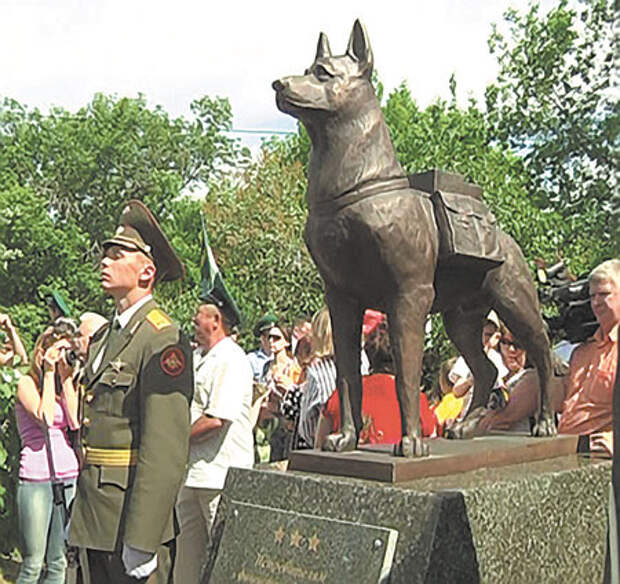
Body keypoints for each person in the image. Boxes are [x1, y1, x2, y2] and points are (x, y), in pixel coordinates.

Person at [68, 201, 193, 584]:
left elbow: (165, 449)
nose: (104, 262)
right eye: (104, 254)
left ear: (147, 271)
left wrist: (143, 538)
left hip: (131, 520)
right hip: (96, 518)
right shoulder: (107, 335)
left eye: (117, 255)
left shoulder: (163, 338)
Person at [477, 258, 619, 452]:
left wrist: (614, 441)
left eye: (604, 295)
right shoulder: (582, 351)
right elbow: (564, 395)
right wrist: (534, 384)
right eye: (592, 296)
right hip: (565, 448)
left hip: (598, 459)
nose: (596, 303)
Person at [174, 302, 253, 584]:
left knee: (225, 557)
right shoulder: (198, 357)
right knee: (187, 558)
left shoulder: (230, 358)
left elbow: (216, 419)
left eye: (199, 315)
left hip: (220, 475)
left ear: (216, 319)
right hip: (191, 473)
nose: (193, 319)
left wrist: (172, 442)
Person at [15, 319, 81, 584]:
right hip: (36, 478)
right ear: (42, 352)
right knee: (33, 562)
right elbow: (43, 416)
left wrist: (65, 378)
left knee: (59, 561)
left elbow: (75, 422)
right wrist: (50, 373)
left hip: (67, 475)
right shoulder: (26, 383)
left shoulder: (64, 385)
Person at [315, 317, 437, 448]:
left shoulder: (343, 395)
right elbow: (432, 443)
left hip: (346, 466)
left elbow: (319, 447)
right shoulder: (416, 401)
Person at [448, 310, 507, 421]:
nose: (483, 339)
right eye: (478, 333)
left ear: (497, 338)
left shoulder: (498, 359)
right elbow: (456, 391)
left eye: (489, 335)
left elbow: (504, 385)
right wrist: (471, 380)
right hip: (470, 415)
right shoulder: (466, 358)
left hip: (493, 417)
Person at [246, 313, 278, 383]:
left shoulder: (282, 358)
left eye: (276, 337)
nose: (272, 340)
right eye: (269, 336)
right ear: (262, 338)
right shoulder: (251, 360)